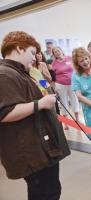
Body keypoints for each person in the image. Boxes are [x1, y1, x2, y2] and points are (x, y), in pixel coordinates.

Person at [0, 31, 70, 200]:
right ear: (19, 48)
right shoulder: (5, 74)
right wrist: (42, 103)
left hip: (42, 146)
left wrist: (47, 81)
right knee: (44, 193)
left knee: (51, 190)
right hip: (33, 153)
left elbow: (43, 86)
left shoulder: (27, 72)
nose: (35, 58)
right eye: (32, 53)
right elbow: (5, 113)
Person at [52, 46, 80, 129]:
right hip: (60, 85)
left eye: (58, 50)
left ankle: (77, 120)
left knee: (74, 100)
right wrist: (54, 88)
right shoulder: (54, 63)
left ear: (61, 50)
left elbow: (76, 70)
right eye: (55, 52)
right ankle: (66, 123)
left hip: (72, 83)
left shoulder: (69, 59)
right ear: (54, 54)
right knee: (64, 103)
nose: (57, 52)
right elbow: (53, 76)